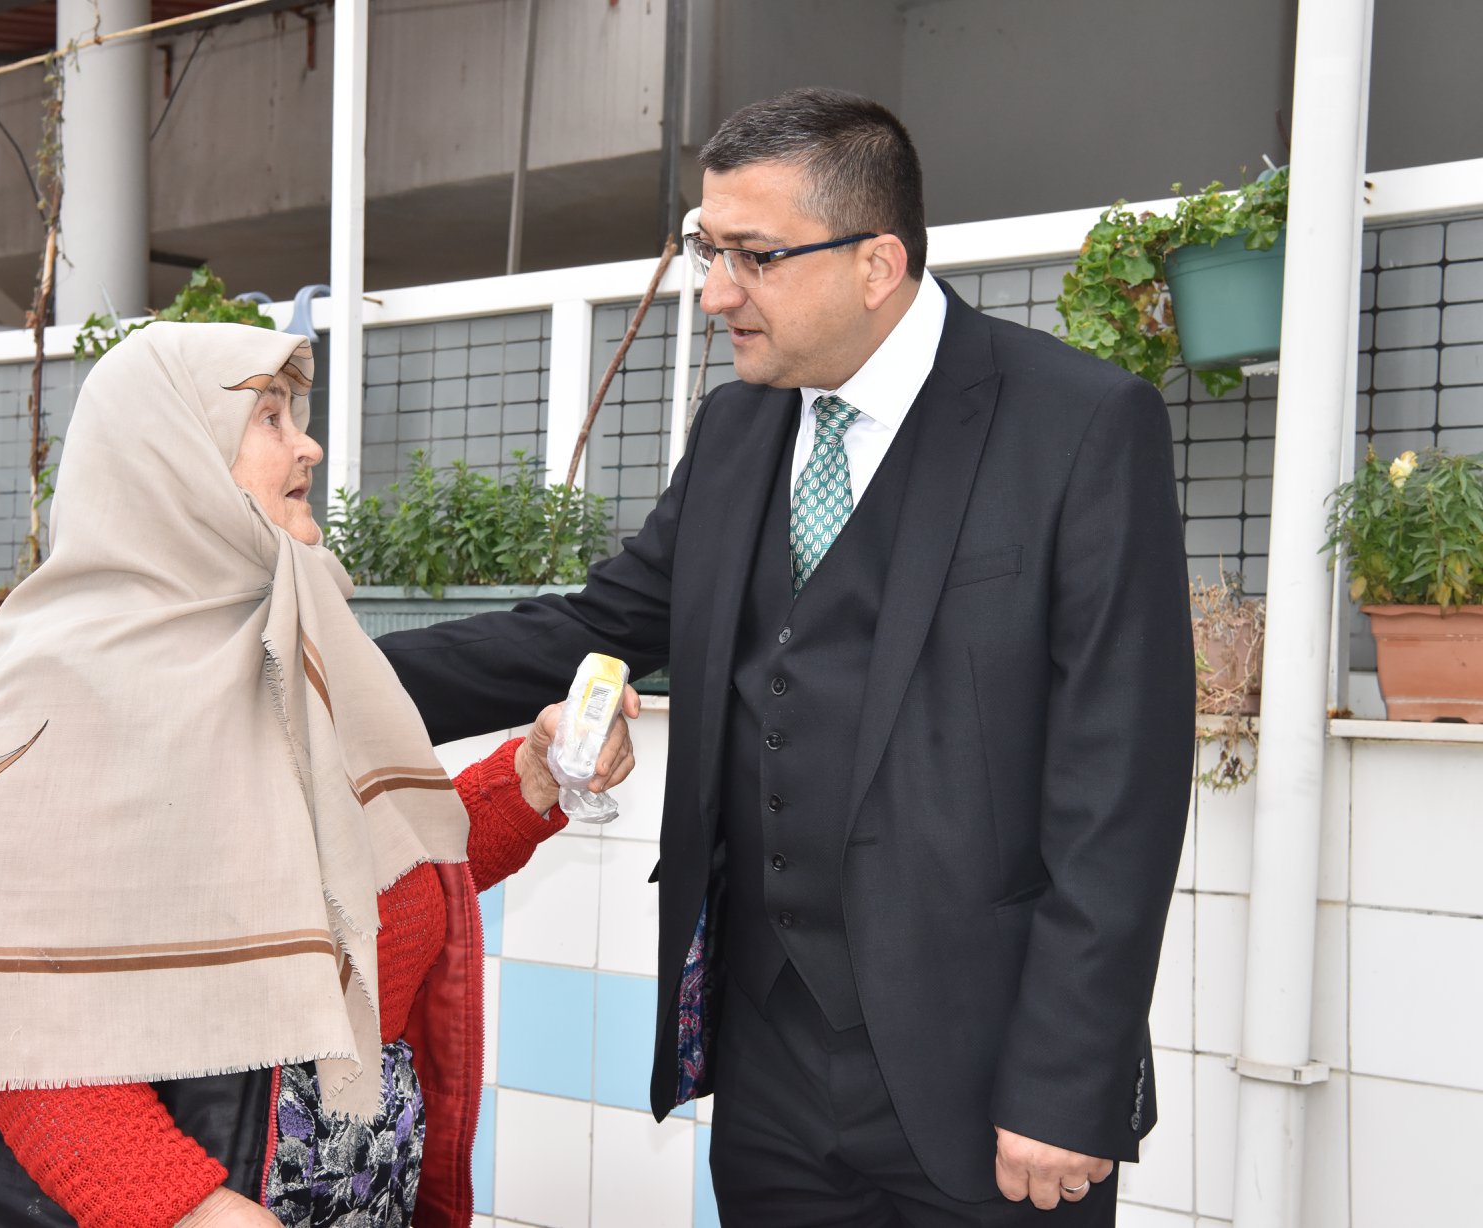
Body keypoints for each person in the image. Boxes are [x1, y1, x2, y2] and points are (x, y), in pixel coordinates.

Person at [378, 88, 1193, 1226]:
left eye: (754, 257)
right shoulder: (736, 428)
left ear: (876, 264)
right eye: (708, 252)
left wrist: (1070, 1079)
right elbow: (590, 625)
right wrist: (322, 679)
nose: (717, 292)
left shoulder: (1078, 423)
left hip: (988, 1073)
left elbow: (1123, 782)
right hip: (769, 1065)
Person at [0, 321, 637, 1228]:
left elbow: (363, 884)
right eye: (270, 417)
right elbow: (17, 1016)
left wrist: (534, 778)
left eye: (297, 415)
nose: (307, 445)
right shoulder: (61, 686)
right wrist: (194, 1211)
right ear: (173, 457)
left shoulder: (288, 641)